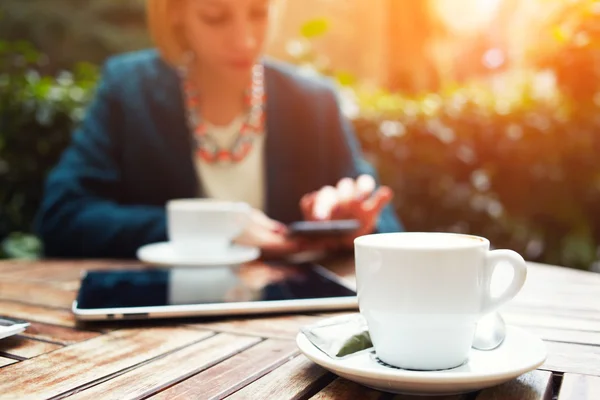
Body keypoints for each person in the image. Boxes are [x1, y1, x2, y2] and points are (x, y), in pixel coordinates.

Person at [35, 0, 403, 259]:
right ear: (176, 12)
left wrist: (357, 224)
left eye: (259, 12)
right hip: (160, 328)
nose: (244, 39)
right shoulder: (128, 90)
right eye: (215, 16)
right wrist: (209, 226)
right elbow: (61, 218)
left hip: (289, 325)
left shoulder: (313, 101)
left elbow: (386, 225)